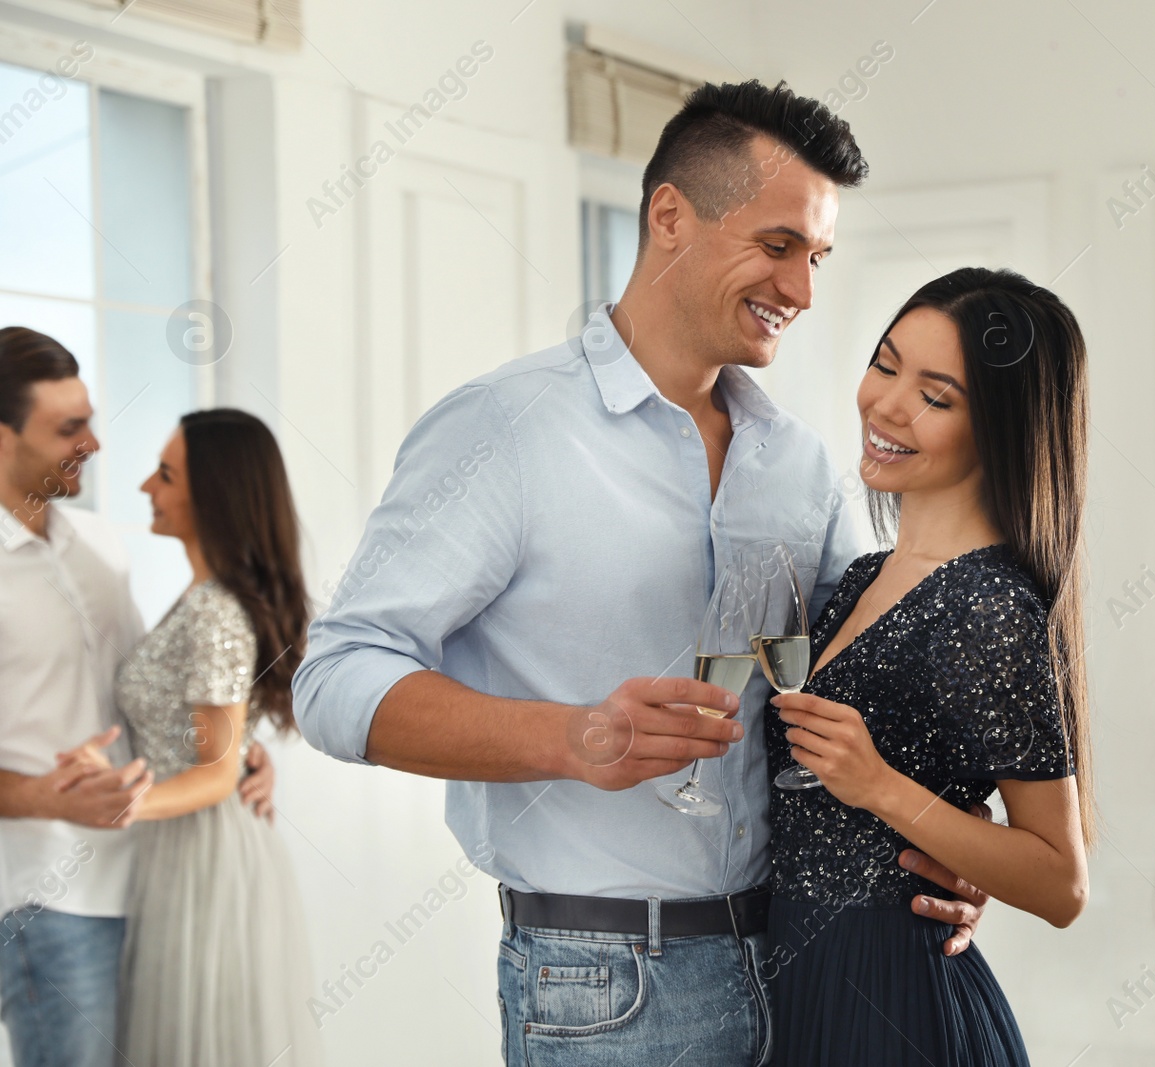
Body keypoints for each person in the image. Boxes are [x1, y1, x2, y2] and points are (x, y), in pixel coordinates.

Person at [292, 80, 989, 1066]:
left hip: (801, 955)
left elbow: (855, 681)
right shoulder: (506, 428)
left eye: (817, 258)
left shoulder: (794, 461)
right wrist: (575, 735)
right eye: (778, 246)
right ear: (671, 216)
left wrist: (956, 837)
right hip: (607, 983)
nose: (801, 291)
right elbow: (333, 680)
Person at [764, 267, 1091, 1065]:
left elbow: (1061, 882)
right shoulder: (861, 578)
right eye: (885, 364)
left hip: (894, 1007)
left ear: (1002, 428)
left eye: (936, 396)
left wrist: (879, 786)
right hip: (799, 987)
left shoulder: (990, 604)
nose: (887, 405)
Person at [0, 328, 274, 1067]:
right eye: (68, 427)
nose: (94, 442)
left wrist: (233, 748)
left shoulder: (100, 545)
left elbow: (145, 691)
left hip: (156, 879)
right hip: (47, 898)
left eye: (88, 419)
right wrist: (53, 799)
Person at [58, 409, 319, 1066]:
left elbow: (214, 773)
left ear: (213, 495)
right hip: (183, 852)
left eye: (166, 473)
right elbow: (206, 746)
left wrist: (118, 797)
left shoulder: (214, 608)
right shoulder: (199, 597)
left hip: (207, 858)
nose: (147, 485)